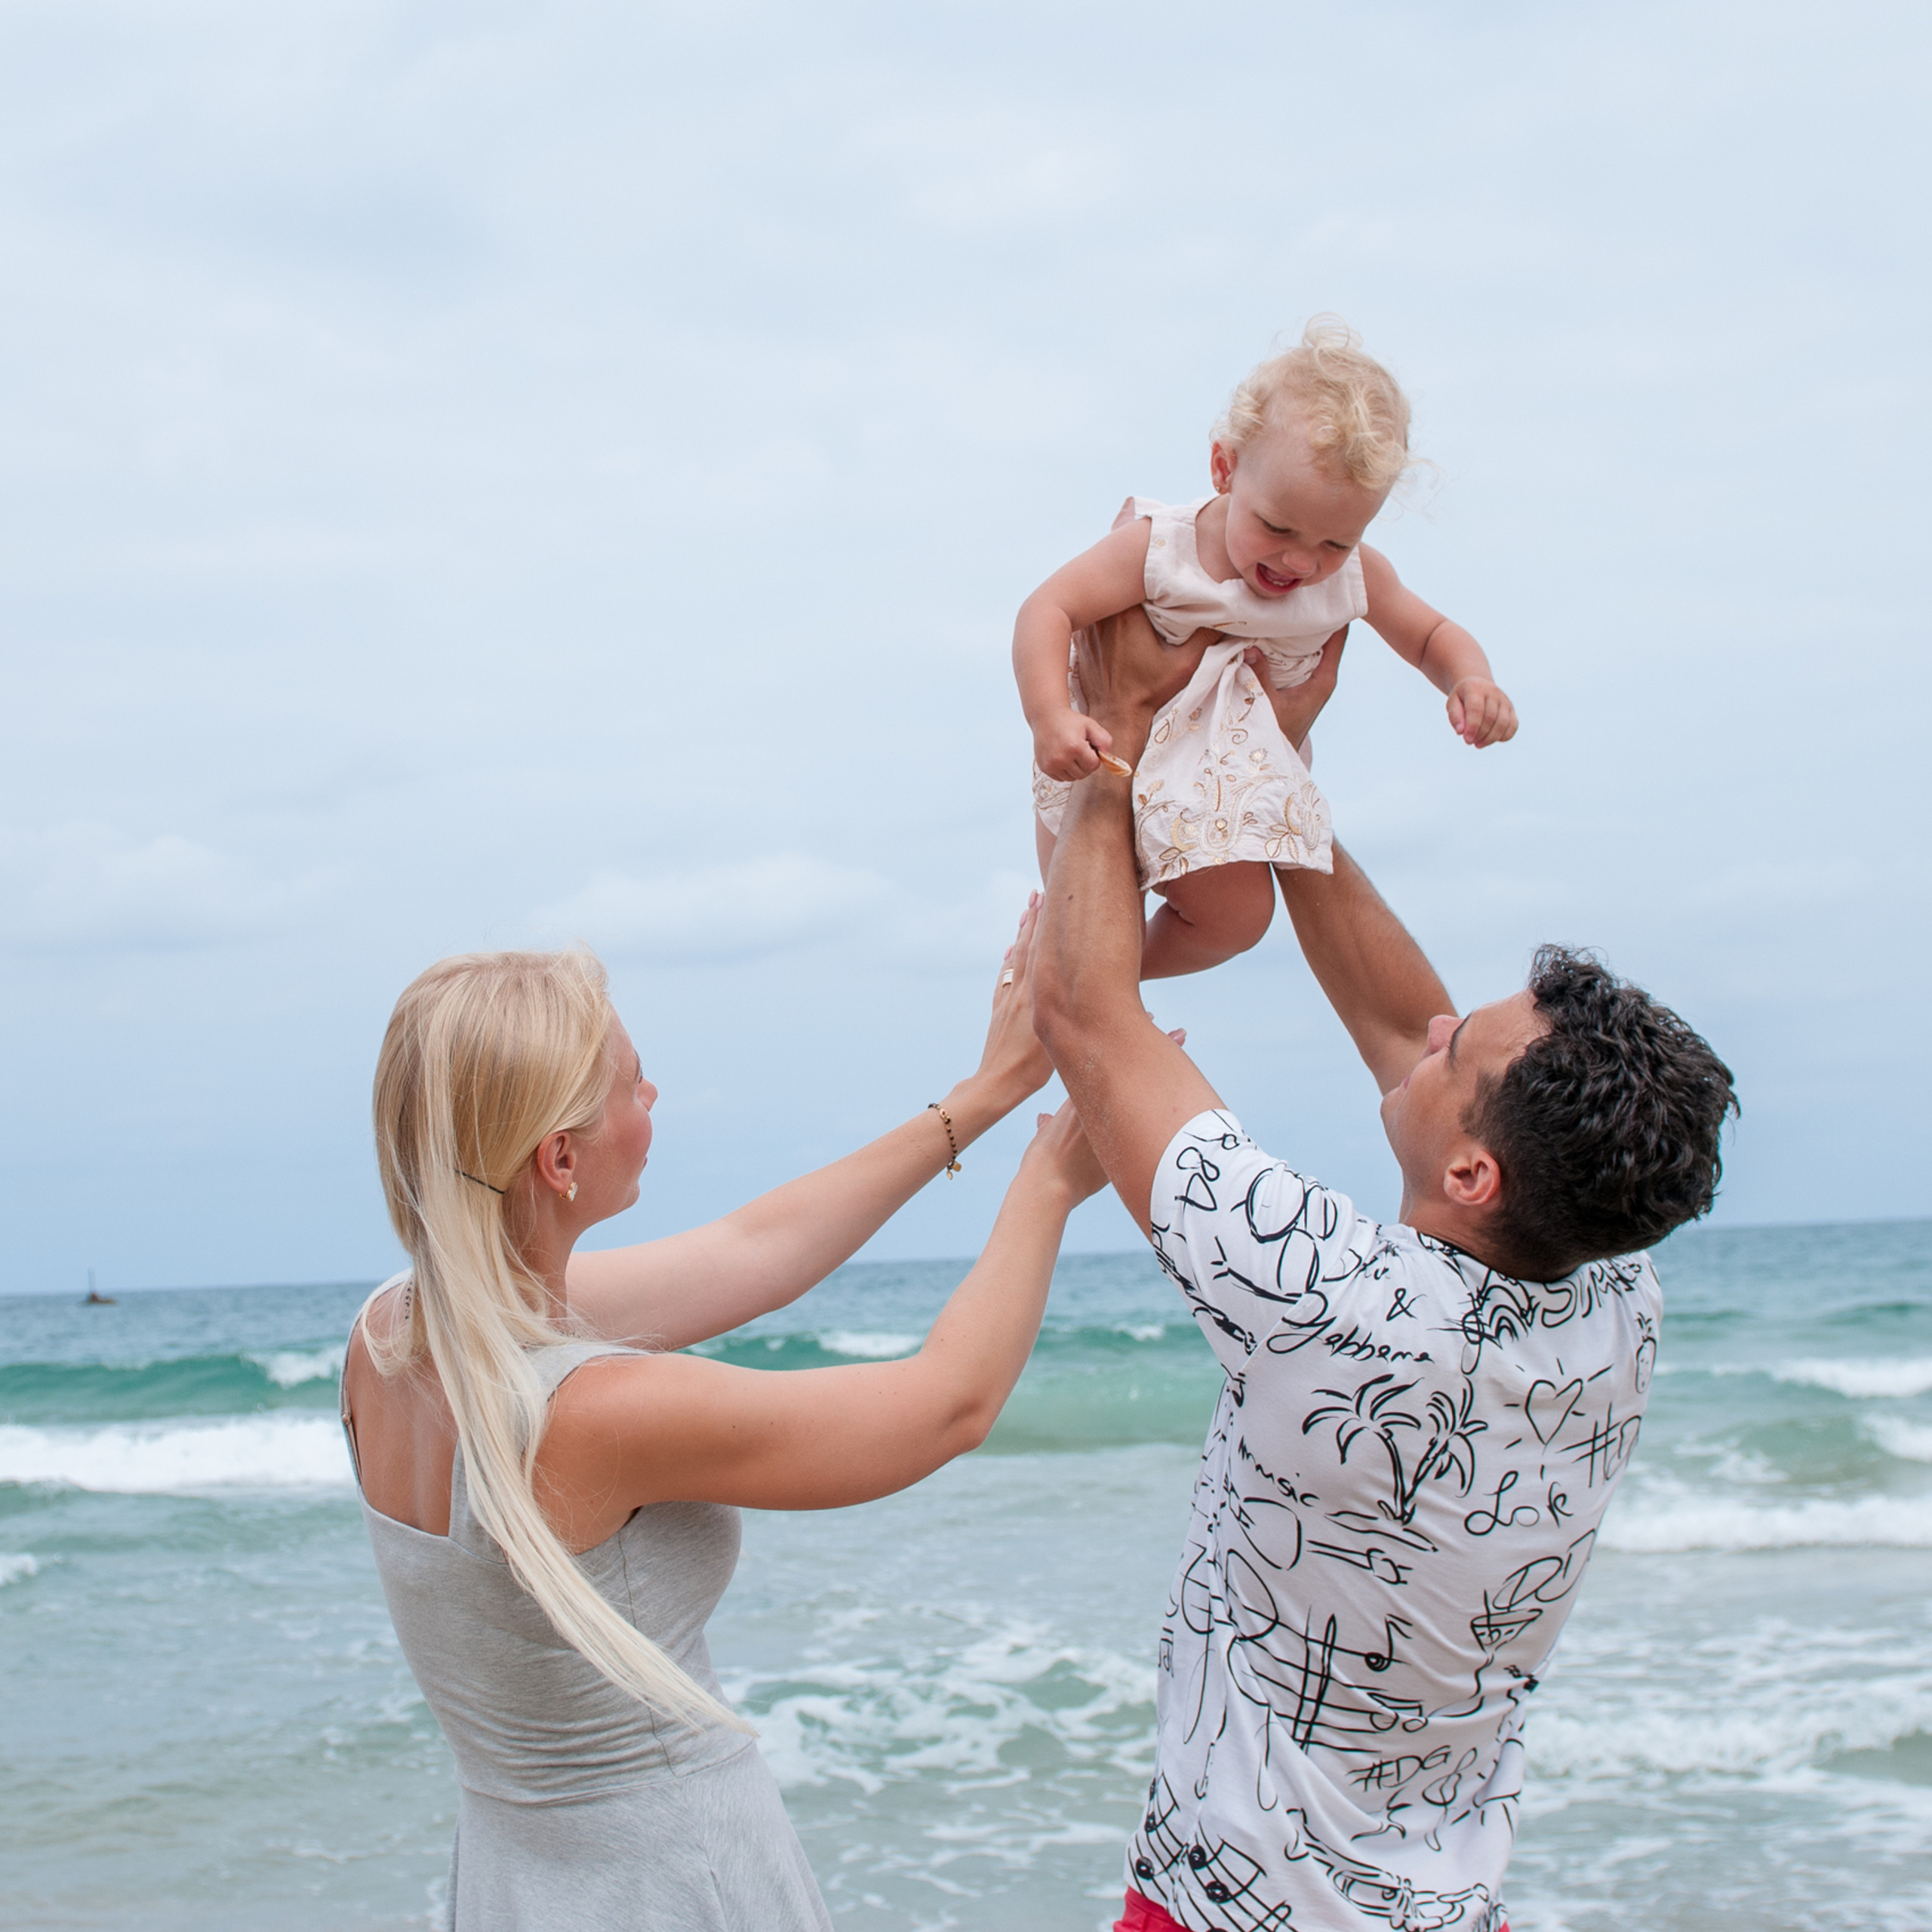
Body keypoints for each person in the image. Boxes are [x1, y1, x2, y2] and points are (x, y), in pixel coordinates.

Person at [1031, 615, 1737, 1932]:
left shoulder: (1330, 1301)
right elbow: (1393, 1017)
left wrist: (1107, 744)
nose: (1426, 1024)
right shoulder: (1618, 1300)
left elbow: (1086, 1014)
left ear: (1476, 1177)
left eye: (1453, 1049)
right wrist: (1276, 774)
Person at [338, 902, 1106, 1931]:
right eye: (630, 1084)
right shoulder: (590, 1411)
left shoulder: (392, 1335)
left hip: (516, 1885)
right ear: (561, 1160)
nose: (652, 1096)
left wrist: (991, 1091)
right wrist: (1051, 1183)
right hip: (667, 1880)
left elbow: (758, 1251)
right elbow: (946, 1406)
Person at [1020, 317, 1518, 980]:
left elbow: (1432, 634)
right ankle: (1071, 977)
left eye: (1334, 543)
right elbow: (1048, 608)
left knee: (1240, 919)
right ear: (1225, 469)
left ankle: (1108, 977)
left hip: (1220, 797)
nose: (1301, 561)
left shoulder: (1355, 575)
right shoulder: (1165, 547)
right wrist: (1049, 715)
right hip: (1103, 759)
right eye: (1276, 526)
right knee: (1076, 910)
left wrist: (1470, 680)